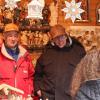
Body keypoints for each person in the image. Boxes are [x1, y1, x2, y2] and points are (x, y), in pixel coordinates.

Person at [34, 24, 86, 100]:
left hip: (71, 97)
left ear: (66, 36)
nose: (60, 40)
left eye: (62, 37)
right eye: (56, 38)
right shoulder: (46, 53)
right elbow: (37, 75)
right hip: (49, 96)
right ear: (52, 40)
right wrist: (38, 89)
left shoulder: (78, 51)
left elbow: (86, 73)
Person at [0, 23, 34, 99]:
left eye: (15, 36)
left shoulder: (25, 55)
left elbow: (31, 76)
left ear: (18, 38)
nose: (13, 39)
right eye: (10, 36)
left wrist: (29, 93)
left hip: (23, 97)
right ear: (4, 37)